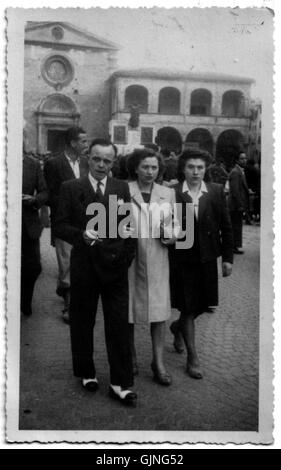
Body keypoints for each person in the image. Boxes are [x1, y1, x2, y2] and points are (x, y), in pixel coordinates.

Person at [54, 138, 137, 406]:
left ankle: (120, 383)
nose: (101, 165)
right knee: (82, 321)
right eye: (97, 159)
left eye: (107, 160)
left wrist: (125, 258)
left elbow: (127, 228)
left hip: (114, 269)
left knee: (119, 325)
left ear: (113, 163)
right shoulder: (71, 188)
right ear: (88, 158)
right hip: (84, 268)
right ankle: (86, 372)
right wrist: (82, 236)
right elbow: (59, 225)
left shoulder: (120, 187)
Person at [169, 148, 233, 379]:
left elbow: (226, 225)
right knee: (187, 306)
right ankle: (192, 357)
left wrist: (227, 259)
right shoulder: (173, 192)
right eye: (190, 167)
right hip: (182, 258)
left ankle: (177, 328)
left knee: (204, 305)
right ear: (183, 169)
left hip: (207, 257)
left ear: (205, 170)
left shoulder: (214, 191)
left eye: (200, 168)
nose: (195, 172)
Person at [126, 148, 176, 386]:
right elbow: (108, 225)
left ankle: (158, 362)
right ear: (136, 167)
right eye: (145, 167)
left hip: (157, 259)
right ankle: (131, 356)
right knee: (128, 311)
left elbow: (176, 227)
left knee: (159, 314)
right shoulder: (123, 190)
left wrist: (171, 235)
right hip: (130, 260)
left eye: (154, 167)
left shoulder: (168, 193)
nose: (149, 172)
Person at [44, 126, 89, 322]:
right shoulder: (54, 164)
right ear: (72, 143)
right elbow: (50, 194)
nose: (86, 145)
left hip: (88, 222)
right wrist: (70, 204)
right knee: (66, 263)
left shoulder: (88, 163)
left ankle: (69, 292)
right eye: (83, 141)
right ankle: (69, 306)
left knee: (84, 262)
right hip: (65, 222)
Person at [21, 133, 48, 316]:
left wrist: (34, 199)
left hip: (27, 223)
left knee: (33, 267)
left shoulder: (32, 165)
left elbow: (45, 191)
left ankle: (25, 300)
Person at [228, 152, 250, 254]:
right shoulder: (236, 172)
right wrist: (240, 205)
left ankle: (234, 246)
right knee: (235, 226)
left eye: (245, 158)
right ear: (237, 160)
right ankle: (233, 247)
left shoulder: (239, 171)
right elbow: (235, 191)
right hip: (235, 205)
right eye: (241, 159)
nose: (244, 160)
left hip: (237, 204)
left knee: (236, 226)